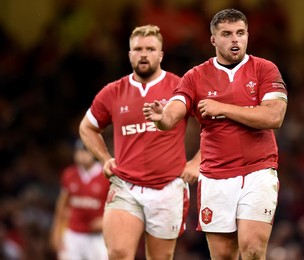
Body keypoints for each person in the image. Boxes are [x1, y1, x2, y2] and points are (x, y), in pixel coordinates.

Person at [143, 8, 288, 260]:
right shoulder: (195, 77)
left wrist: (222, 108)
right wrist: (161, 118)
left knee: (253, 249)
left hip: (257, 171)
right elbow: (172, 114)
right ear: (213, 39)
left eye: (240, 33)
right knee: (222, 255)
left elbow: (273, 116)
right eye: (227, 34)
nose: (235, 39)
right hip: (215, 177)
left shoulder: (264, 69)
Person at [79, 25, 200, 260]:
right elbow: (87, 127)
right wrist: (105, 159)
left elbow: (214, 127)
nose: (144, 54)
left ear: (161, 55)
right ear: (129, 54)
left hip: (168, 187)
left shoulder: (180, 87)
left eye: (150, 49)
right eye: (138, 49)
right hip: (126, 186)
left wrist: (197, 161)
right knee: (118, 253)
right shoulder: (113, 92)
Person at [50, 139, 109, 260]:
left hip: (97, 236)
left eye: (85, 151)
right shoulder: (69, 174)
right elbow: (62, 205)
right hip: (73, 233)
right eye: (79, 151)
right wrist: (56, 233)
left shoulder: (106, 174)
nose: (82, 155)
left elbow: (119, 204)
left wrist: (106, 220)